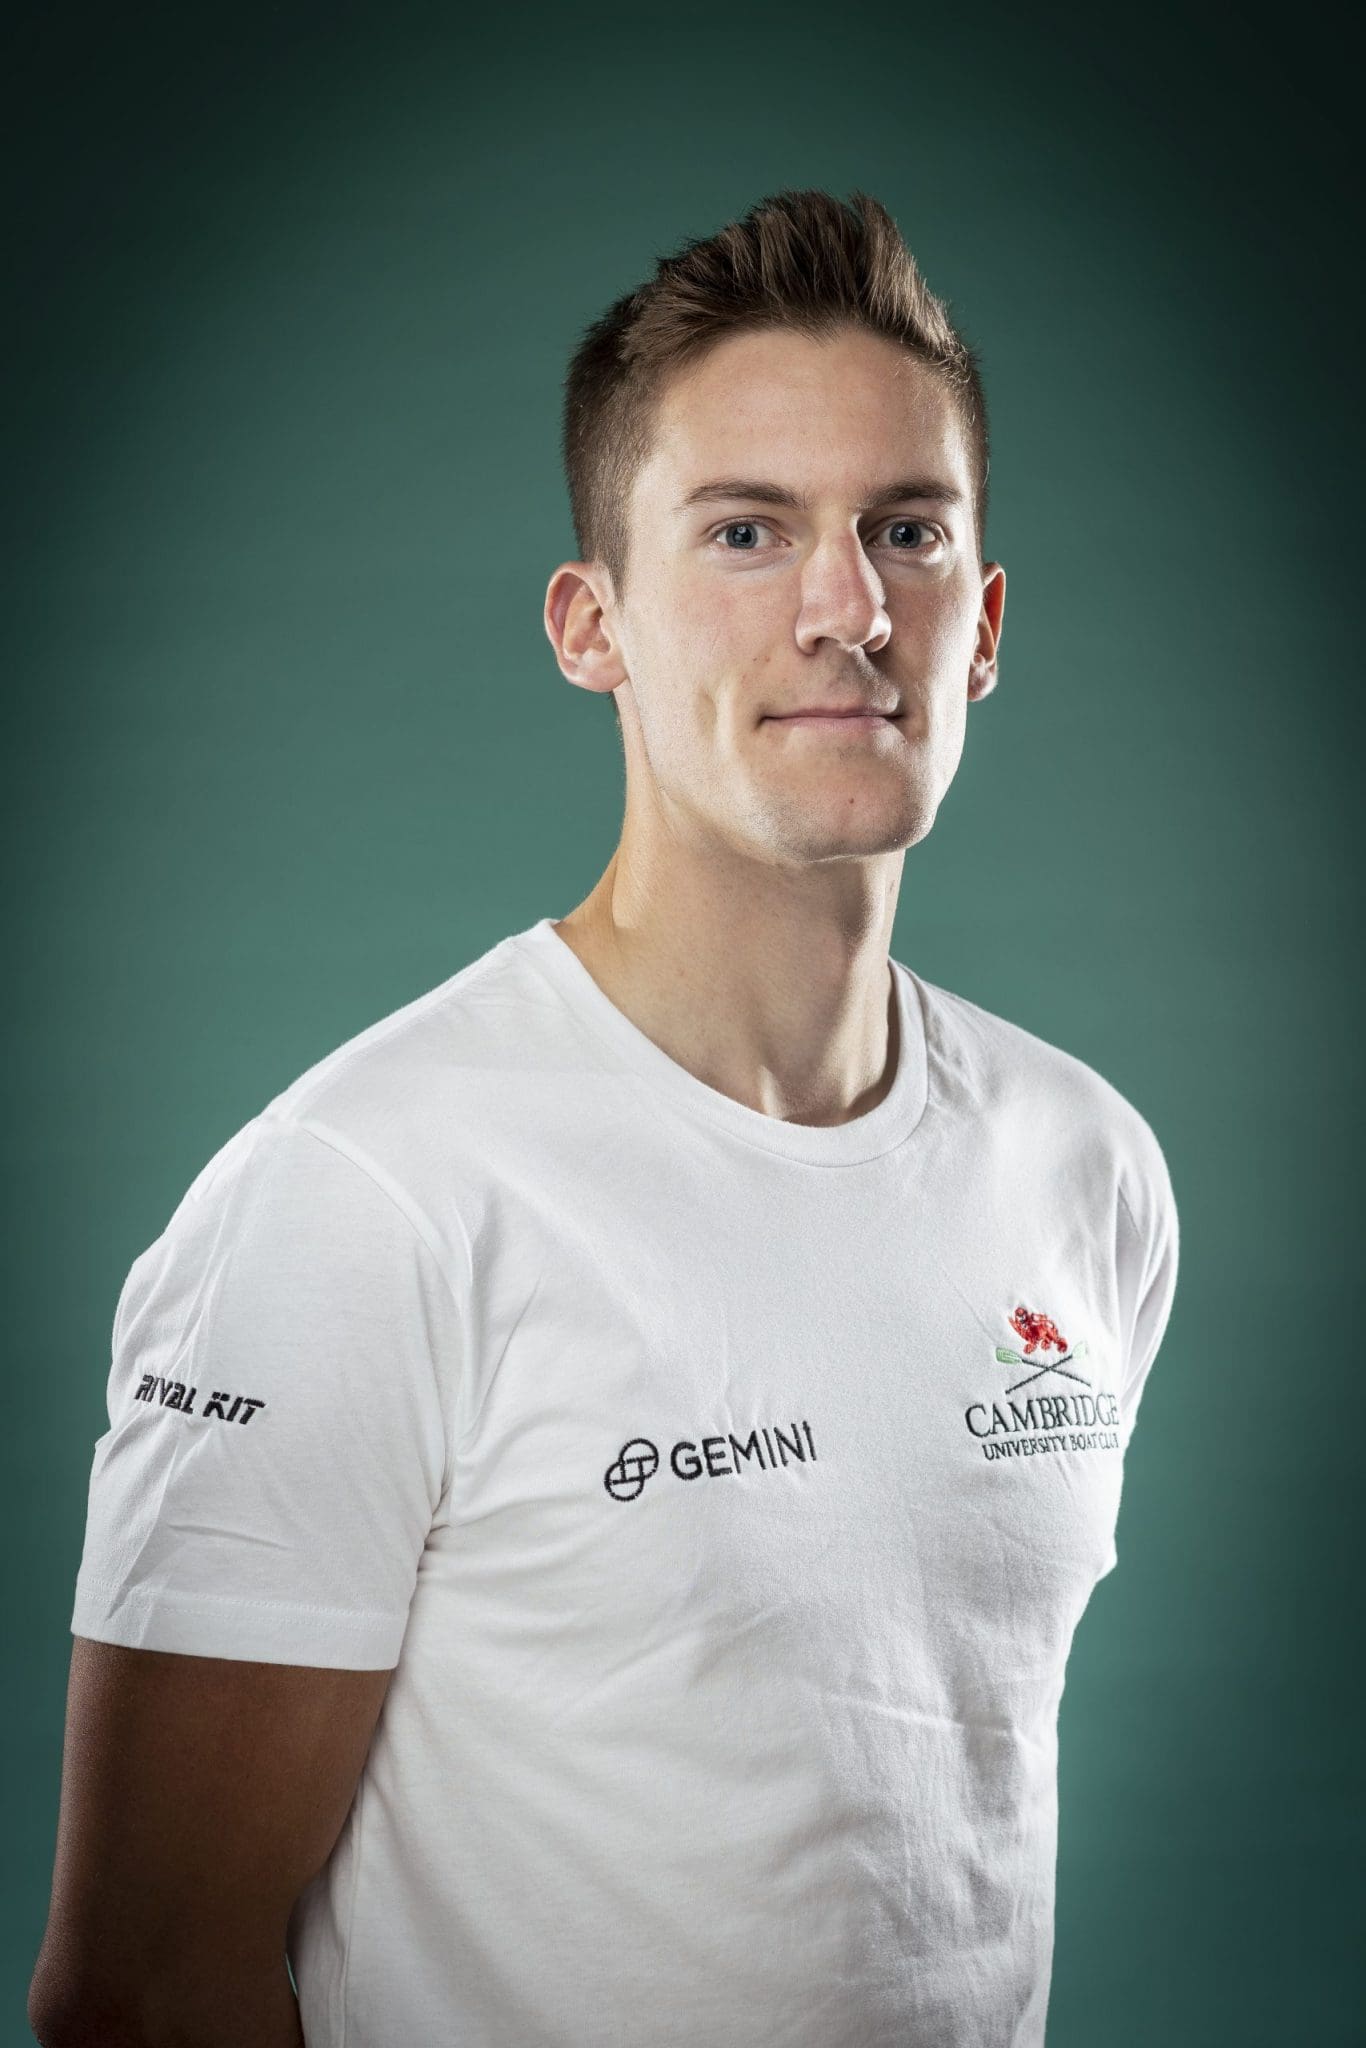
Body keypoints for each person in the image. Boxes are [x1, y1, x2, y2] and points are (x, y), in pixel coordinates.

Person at [29, 188, 1179, 2048]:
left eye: (906, 530)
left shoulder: (1084, 1167)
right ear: (594, 627)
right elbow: (144, 1992)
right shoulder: (362, 1199)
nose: (846, 609)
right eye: (745, 531)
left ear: (979, 628)